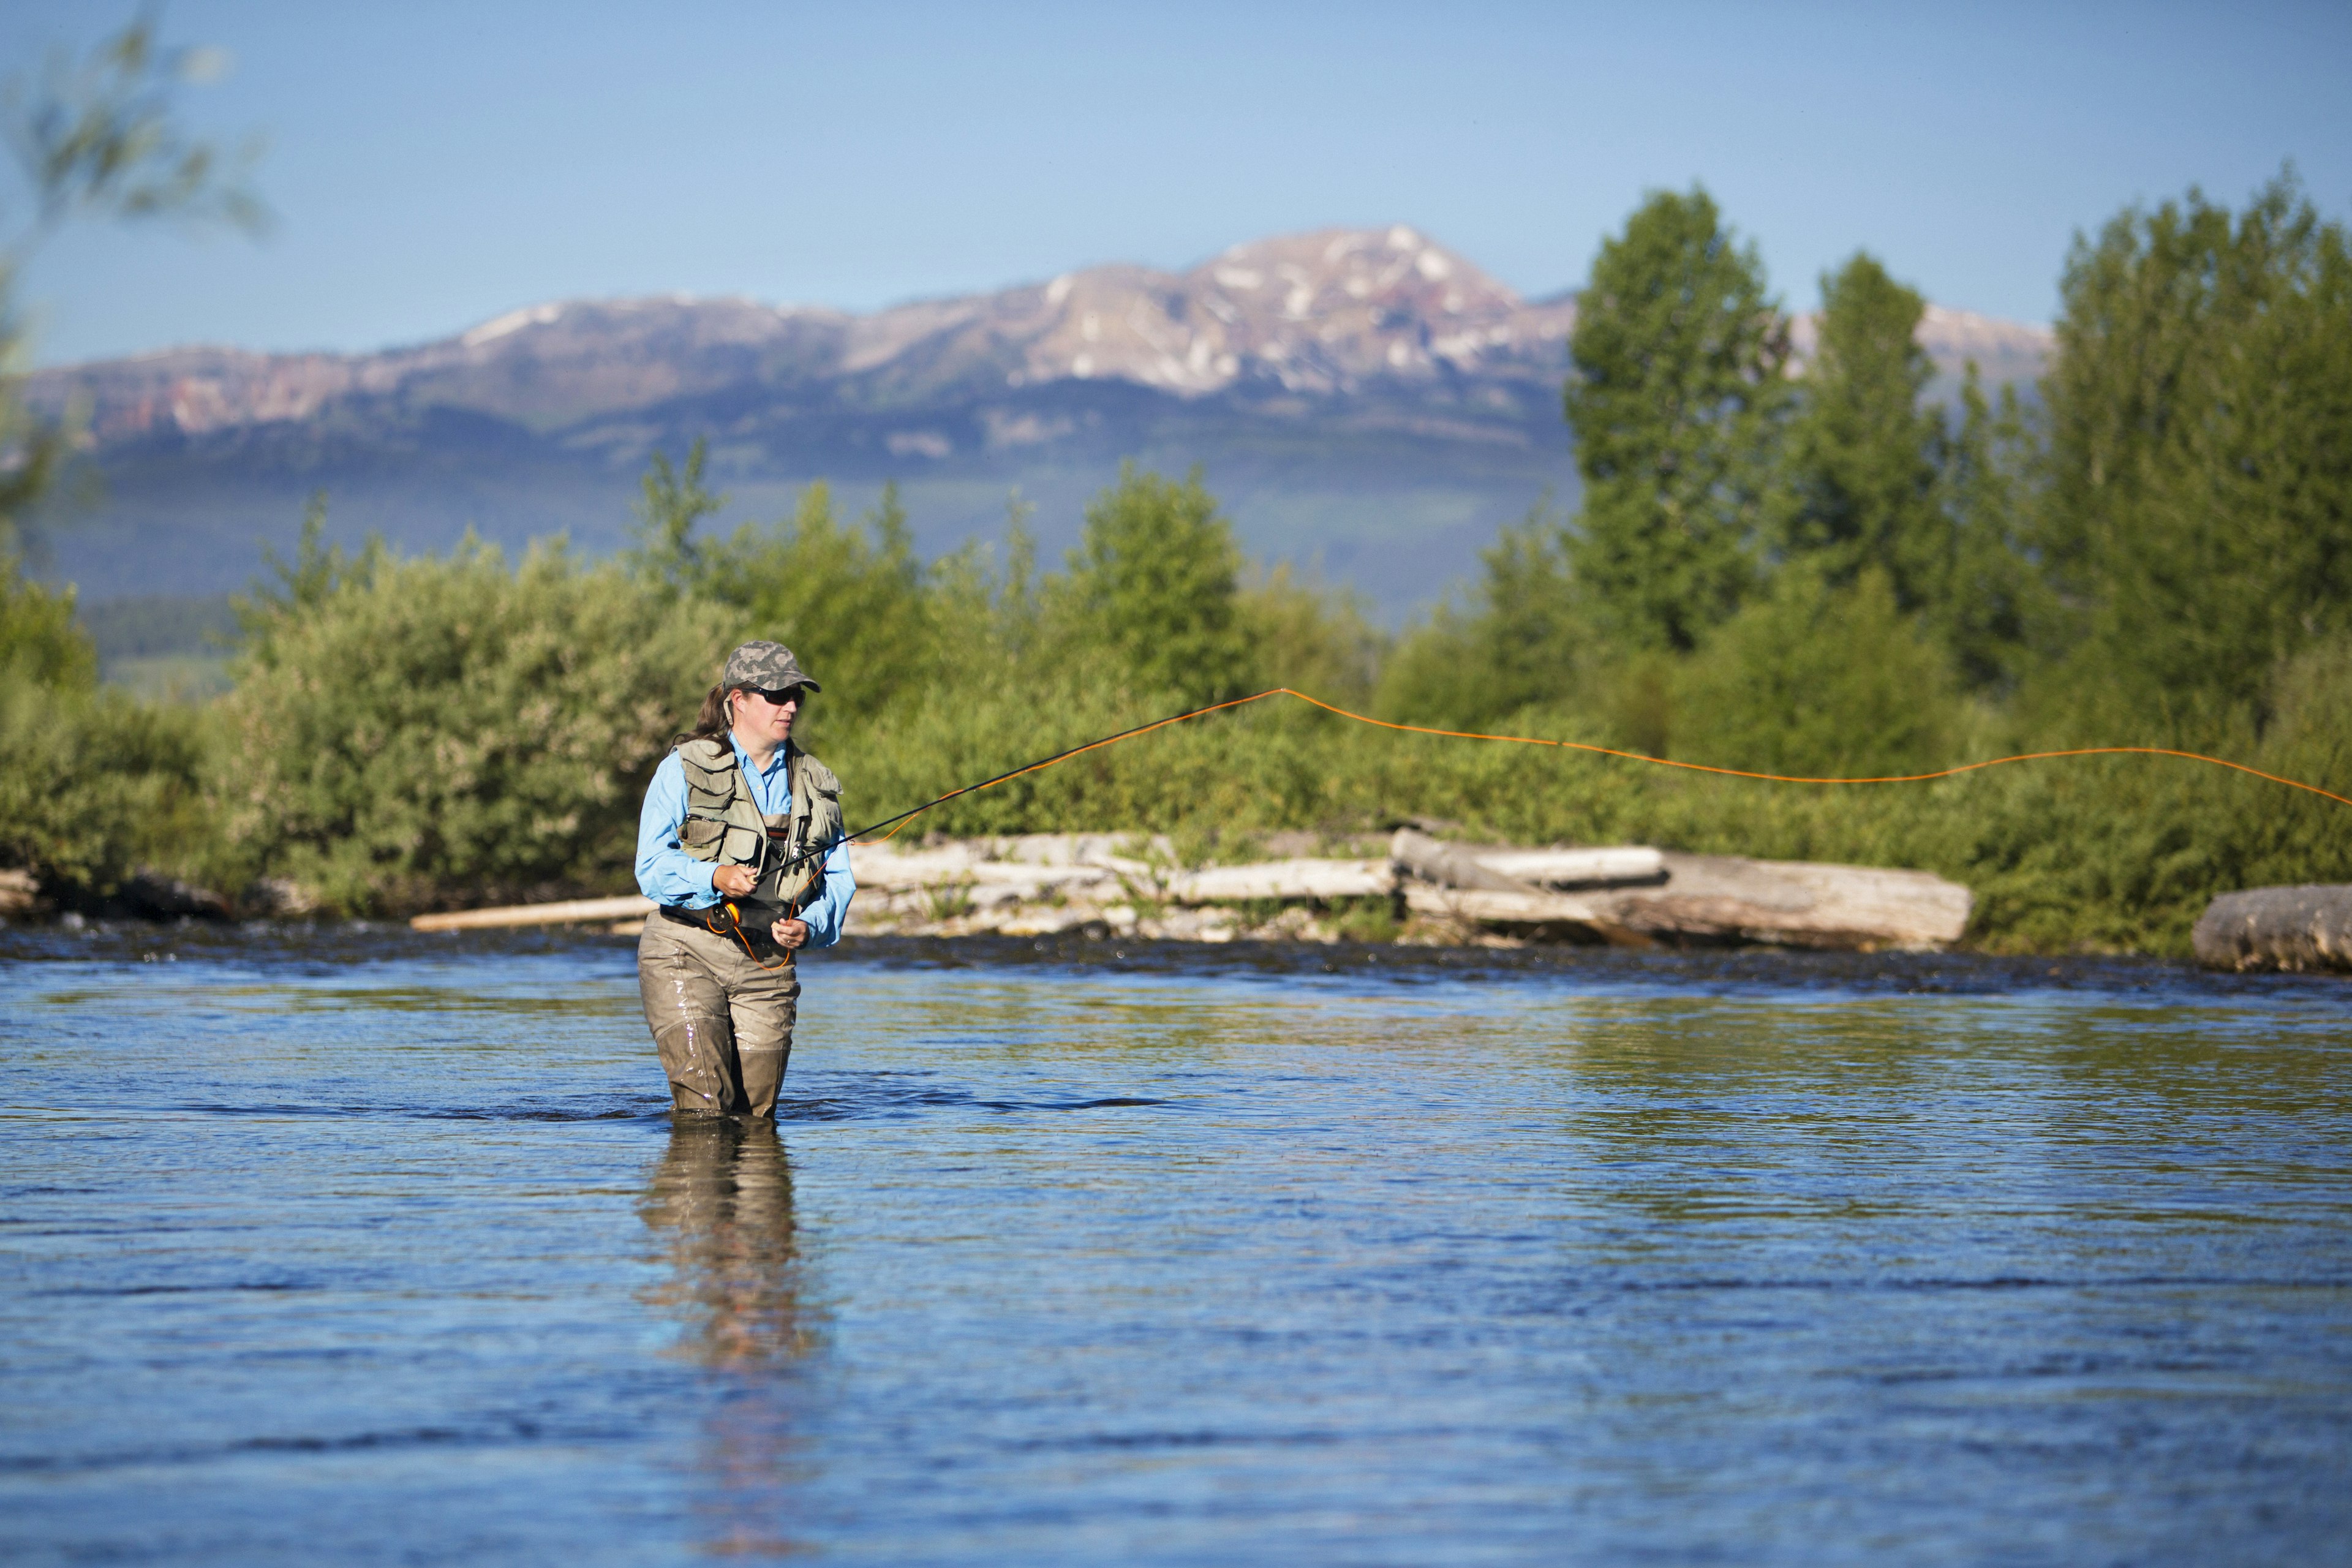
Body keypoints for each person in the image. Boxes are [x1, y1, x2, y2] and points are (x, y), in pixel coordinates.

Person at [634, 641, 855, 1118]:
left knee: (757, 1119)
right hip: (683, 949)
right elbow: (649, 866)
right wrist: (713, 875)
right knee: (707, 1113)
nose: (791, 706)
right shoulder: (683, 768)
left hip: (769, 964)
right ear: (739, 700)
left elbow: (838, 877)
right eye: (777, 695)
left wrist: (810, 927)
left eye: (796, 694)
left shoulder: (817, 783)